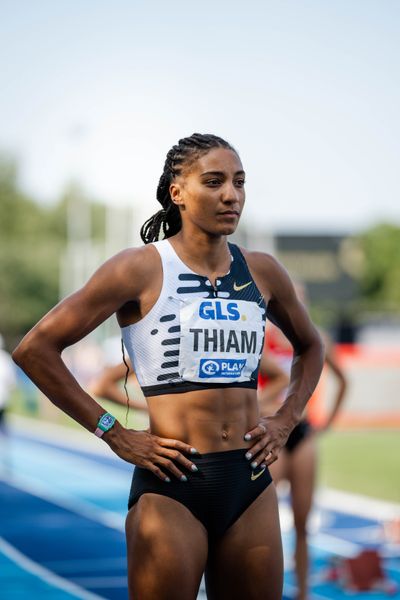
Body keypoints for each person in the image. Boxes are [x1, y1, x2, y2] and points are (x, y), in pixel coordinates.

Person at [13, 133, 324, 600]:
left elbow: (311, 347)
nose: (231, 195)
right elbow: (35, 349)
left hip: (250, 484)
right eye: (215, 181)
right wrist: (114, 433)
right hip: (173, 486)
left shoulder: (262, 271)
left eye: (239, 183)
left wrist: (285, 420)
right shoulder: (138, 268)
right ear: (177, 192)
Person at [259, 287, 347, 600]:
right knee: (260, 523)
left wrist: (327, 424)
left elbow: (342, 380)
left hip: (303, 431)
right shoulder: (260, 335)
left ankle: (303, 593)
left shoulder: (314, 338)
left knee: (302, 522)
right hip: (271, 435)